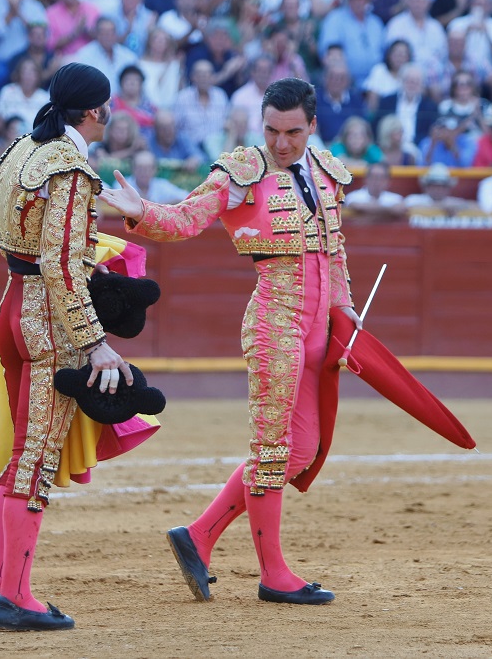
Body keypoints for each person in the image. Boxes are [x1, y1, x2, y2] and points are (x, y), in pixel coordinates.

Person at [99, 77, 363, 606]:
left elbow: (334, 254)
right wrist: (139, 208)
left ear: (312, 126)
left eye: (292, 132)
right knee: (271, 450)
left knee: (301, 450)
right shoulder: (242, 172)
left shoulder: (326, 171)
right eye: (271, 130)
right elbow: (184, 220)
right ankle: (274, 574)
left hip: (317, 329)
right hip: (274, 325)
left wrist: (346, 312)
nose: (281, 142)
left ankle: (197, 536)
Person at [0, 64, 135, 631]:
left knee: (22, 451)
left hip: (14, 302)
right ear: (95, 112)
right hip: (47, 324)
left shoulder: (19, 153)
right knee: (34, 459)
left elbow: (26, 246)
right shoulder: (72, 170)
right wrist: (96, 342)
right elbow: (60, 264)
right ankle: (18, 597)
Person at [403, 162, 474, 213]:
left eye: (442, 186)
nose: (438, 190)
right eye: (434, 185)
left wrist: (459, 206)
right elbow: (405, 208)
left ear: (448, 188)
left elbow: (475, 206)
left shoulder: (452, 202)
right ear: (427, 187)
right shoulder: (414, 199)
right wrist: (441, 206)